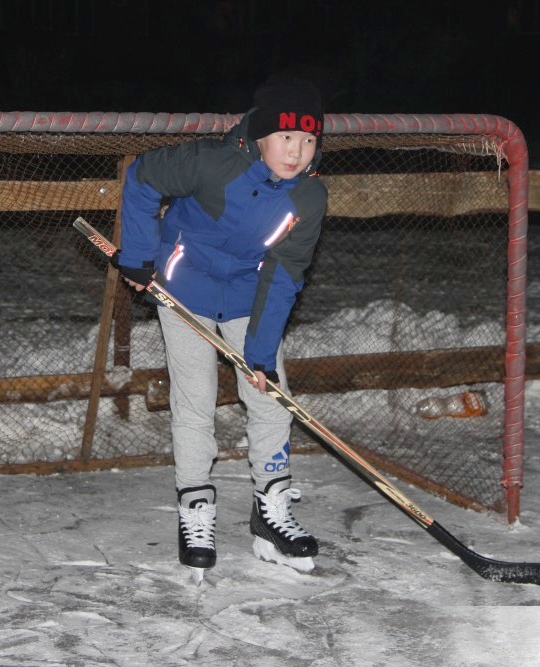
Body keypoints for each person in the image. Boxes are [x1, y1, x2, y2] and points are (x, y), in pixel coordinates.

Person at [112, 78, 328, 581]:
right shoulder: (212, 162)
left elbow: (286, 274)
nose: (296, 153)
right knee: (196, 396)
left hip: (248, 293)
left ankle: (270, 511)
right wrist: (140, 255)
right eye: (286, 138)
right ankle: (195, 509)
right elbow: (143, 177)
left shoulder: (309, 198)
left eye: (309, 141)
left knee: (271, 393)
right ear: (261, 136)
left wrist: (259, 352)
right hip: (184, 285)